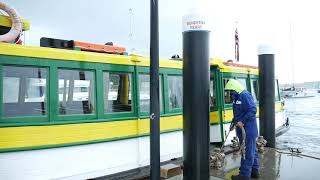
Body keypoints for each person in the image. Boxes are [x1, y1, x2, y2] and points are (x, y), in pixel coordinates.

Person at [225, 79, 259, 180]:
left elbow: (253, 109)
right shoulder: (236, 98)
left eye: (231, 91)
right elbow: (237, 114)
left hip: (248, 130)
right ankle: (255, 171)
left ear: (235, 88)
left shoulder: (244, 95)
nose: (230, 93)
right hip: (242, 130)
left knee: (247, 152)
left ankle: (244, 175)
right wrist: (233, 123)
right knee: (252, 151)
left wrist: (242, 121)